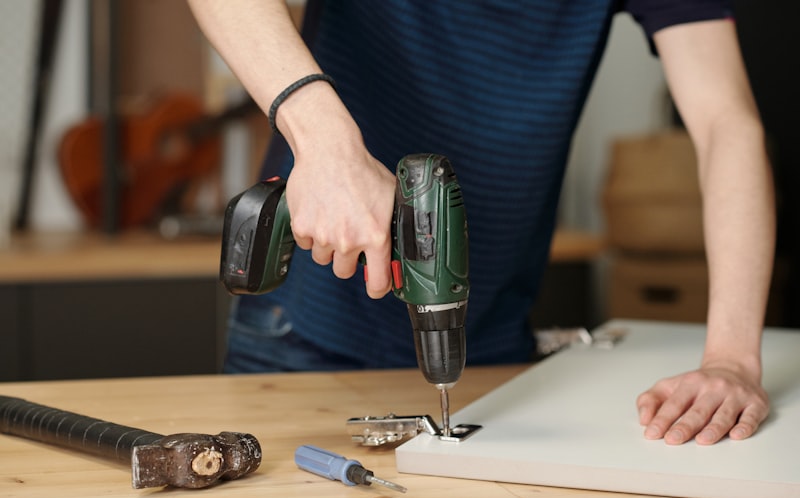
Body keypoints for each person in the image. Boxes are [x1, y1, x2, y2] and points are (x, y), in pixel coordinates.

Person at [187, 0, 775, 447]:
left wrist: (731, 359)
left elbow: (728, 124)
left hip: (496, 338)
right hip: (304, 333)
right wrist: (326, 142)